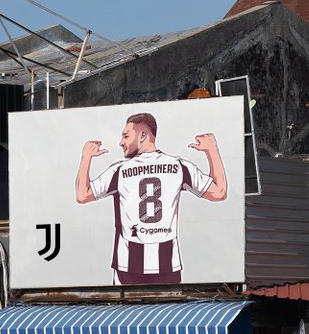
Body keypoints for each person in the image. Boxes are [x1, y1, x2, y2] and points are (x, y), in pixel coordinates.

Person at [75, 111, 227, 286]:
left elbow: (82, 194)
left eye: (126, 136)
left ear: (143, 136)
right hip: (167, 265)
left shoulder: (120, 170)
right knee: (169, 313)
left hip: (128, 266)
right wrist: (212, 150)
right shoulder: (178, 165)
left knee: (126, 313)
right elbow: (219, 192)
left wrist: (86, 157)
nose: (121, 142)